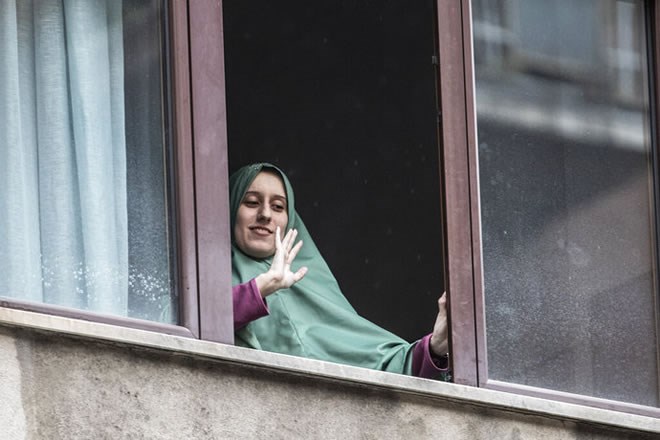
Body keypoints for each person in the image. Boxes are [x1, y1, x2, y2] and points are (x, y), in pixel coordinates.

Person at [230, 163, 450, 380]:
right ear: (230, 209)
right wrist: (258, 289)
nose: (265, 214)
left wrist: (435, 348)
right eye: (251, 202)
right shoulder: (206, 274)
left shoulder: (312, 280)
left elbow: (378, 362)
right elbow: (201, 330)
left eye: (278, 206)